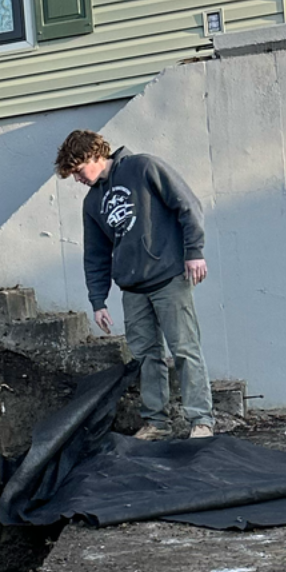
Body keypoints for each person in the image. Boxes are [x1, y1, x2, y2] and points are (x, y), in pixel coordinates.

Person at [54, 127, 215, 440]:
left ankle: (201, 421)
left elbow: (187, 204)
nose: (77, 179)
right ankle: (157, 423)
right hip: (133, 290)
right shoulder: (92, 204)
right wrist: (98, 301)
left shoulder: (143, 167)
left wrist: (194, 252)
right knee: (145, 357)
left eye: (77, 170)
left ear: (93, 155)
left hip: (169, 278)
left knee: (184, 349)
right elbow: (96, 255)